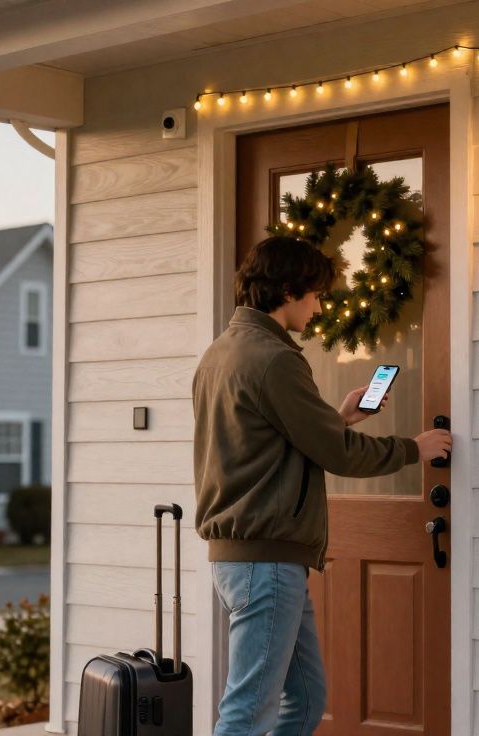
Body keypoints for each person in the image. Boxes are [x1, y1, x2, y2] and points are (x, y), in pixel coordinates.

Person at [192, 235, 453, 736]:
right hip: (264, 562)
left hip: (251, 558)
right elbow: (336, 455)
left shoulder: (219, 354)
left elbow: (264, 445)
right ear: (287, 290)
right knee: (247, 713)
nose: (318, 306)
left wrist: (339, 419)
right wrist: (413, 449)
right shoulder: (275, 359)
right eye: (315, 294)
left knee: (307, 700)